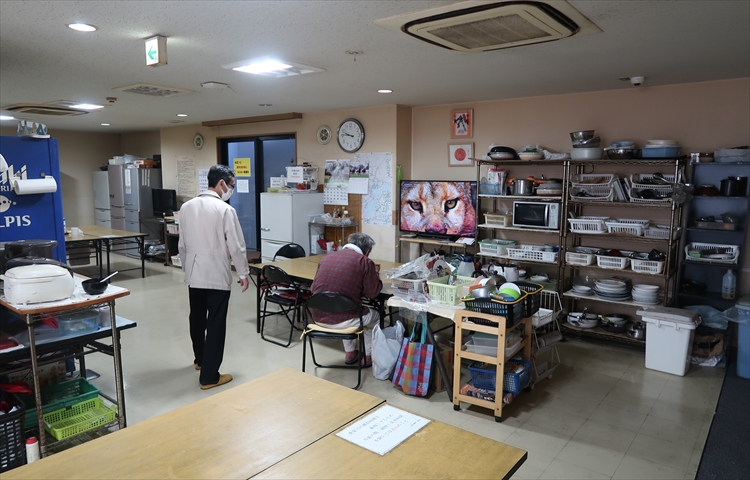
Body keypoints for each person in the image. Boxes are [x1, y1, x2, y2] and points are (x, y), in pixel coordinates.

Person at [178, 164, 249, 390]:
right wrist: (243, 273)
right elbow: (236, 246)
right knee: (216, 323)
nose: (231, 190)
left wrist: (187, 269)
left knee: (197, 319)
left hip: (194, 273)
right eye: (231, 185)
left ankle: (200, 360)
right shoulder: (225, 210)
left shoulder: (186, 207)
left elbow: (182, 244)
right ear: (221, 184)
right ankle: (209, 376)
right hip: (216, 274)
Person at [310, 232, 382, 366]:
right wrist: (375, 276)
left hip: (318, 317)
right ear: (367, 251)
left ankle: (350, 353)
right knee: (376, 316)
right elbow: (372, 293)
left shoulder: (326, 258)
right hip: (345, 319)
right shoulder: (365, 262)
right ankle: (368, 356)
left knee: (344, 304)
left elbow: (313, 289)